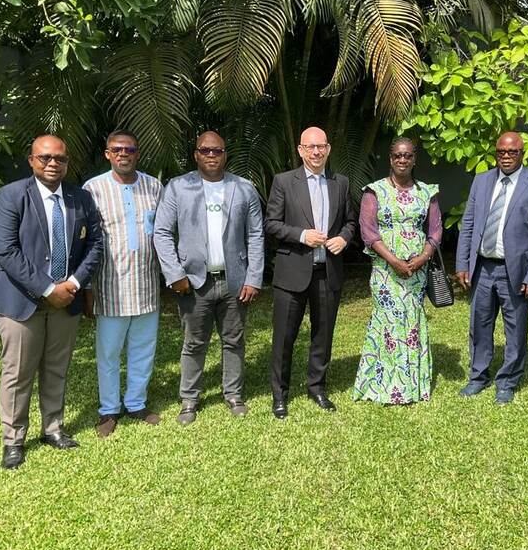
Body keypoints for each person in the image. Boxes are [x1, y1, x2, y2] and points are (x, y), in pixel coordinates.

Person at [0, 135, 103, 469]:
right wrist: (47, 288)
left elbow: (95, 244)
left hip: (66, 299)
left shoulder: (80, 198)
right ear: (31, 160)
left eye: (60, 159)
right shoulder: (11, 196)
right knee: (18, 373)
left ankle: (52, 428)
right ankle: (14, 440)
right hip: (21, 302)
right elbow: (6, 251)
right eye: (46, 158)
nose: (53, 163)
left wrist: (74, 283)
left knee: (56, 369)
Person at [153, 131, 264, 424]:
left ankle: (234, 394)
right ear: (196, 154)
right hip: (193, 282)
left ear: (225, 154)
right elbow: (162, 232)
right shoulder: (177, 188)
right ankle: (189, 399)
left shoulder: (244, 188)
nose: (211, 156)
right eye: (205, 151)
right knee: (193, 343)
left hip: (234, 281)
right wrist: (174, 274)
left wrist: (253, 278)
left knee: (234, 340)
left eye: (217, 151)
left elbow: (255, 235)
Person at [455, 132, 528, 404]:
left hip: (517, 271)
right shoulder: (482, 181)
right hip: (483, 269)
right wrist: (463, 263)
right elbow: (469, 225)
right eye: (501, 152)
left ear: (523, 154)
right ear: (495, 153)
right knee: (479, 325)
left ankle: (507, 381)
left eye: (513, 152)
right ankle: (478, 376)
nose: (506, 157)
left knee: (516, 328)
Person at [265, 126, 357, 419]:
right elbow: (271, 224)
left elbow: (350, 221)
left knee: (323, 334)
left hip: (327, 272)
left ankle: (317, 387)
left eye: (321, 146)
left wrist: (344, 237)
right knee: (284, 337)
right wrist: (302, 235)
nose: (316, 152)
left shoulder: (340, 183)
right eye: (310, 147)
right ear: (300, 150)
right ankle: (279, 395)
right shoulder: (283, 182)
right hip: (292, 271)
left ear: (329, 149)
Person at [83, 131, 163, 437]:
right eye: (117, 149)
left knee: (143, 348)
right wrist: (88, 288)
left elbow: (164, 233)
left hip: (146, 284)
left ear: (137, 153)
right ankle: (109, 409)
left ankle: (136, 403)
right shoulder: (94, 189)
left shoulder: (154, 186)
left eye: (129, 148)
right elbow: (89, 241)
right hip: (109, 286)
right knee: (109, 352)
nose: (123, 154)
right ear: (107, 154)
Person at [352, 137, 442, 404]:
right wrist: (394, 261)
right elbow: (368, 232)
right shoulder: (374, 191)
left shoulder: (428, 192)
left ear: (415, 159)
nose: (402, 160)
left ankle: (412, 384)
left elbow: (435, 230)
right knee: (388, 322)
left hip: (417, 271)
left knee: (412, 321)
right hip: (385, 271)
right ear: (390, 158)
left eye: (408, 156)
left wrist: (422, 258)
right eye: (397, 156)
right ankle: (380, 384)